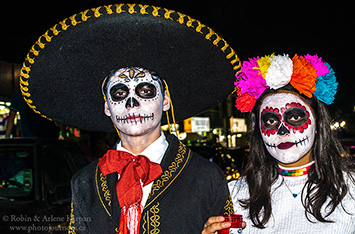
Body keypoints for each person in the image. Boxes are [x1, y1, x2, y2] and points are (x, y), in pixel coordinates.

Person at [19, 4, 242, 233]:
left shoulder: (205, 177)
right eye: (119, 94)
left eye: (145, 91)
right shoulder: (84, 182)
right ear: (107, 107)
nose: (132, 103)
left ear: (165, 101)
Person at [202, 54, 355, 233]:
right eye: (270, 121)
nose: (282, 131)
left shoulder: (351, 189)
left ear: (318, 124)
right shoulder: (236, 194)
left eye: (295, 117)